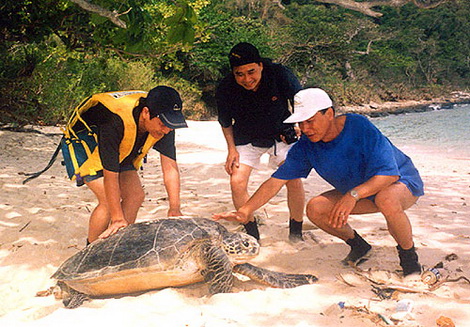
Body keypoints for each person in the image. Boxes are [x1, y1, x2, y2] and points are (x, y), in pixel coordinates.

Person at [214, 88, 423, 277]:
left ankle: (410, 262)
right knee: (315, 208)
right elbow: (276, 181)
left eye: (310, 121)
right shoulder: (306, 146)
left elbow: (389, 175)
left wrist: (353, 195)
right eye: (300, 123)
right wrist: (246, 210)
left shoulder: (359, 126)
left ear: (329, 114)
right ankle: (359, 246)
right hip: (361, 193)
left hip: (399, 183)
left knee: (386, 199)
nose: (305, 128)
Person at [60, 86, 188, 244]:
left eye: (171, 124)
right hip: (86, 143)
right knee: (108, 200)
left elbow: (170, 167)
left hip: (125, 143)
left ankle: (118, 245)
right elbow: (110, 176)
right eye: (163, 124)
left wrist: (174, 208)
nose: (167, 130)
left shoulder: (165, 123)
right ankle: (91, 252)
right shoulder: (114, 120)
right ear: (146, 113)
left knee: (135, 195)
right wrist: (117, 218)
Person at [216, 42, 305, 241]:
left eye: (251, 72)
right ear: (233, 73)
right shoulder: (225, 88)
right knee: (236, 180)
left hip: (281, 133)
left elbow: (300, 101)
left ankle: (296, 231)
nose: (247, 79)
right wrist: (231, 150)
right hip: (246, 136)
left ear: (261, 66)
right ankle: (251, 233)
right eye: (240, 74)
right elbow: (225, 122)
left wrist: (299, 124)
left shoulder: (279, 74)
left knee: (293, 178)